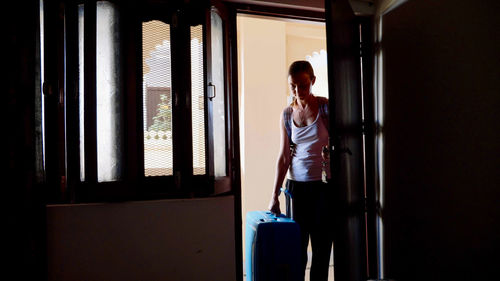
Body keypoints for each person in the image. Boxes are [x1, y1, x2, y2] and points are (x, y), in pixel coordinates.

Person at [268, 60, 333, 281]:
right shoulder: (287, 114)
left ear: (312, 81)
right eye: (293, 86)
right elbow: (284, 156)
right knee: (297, 248)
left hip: (323, 187)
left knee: (322, 248)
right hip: (296, 188)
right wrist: (274, 195)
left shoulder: (325, 108)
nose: (298, 91)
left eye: (303, 85)